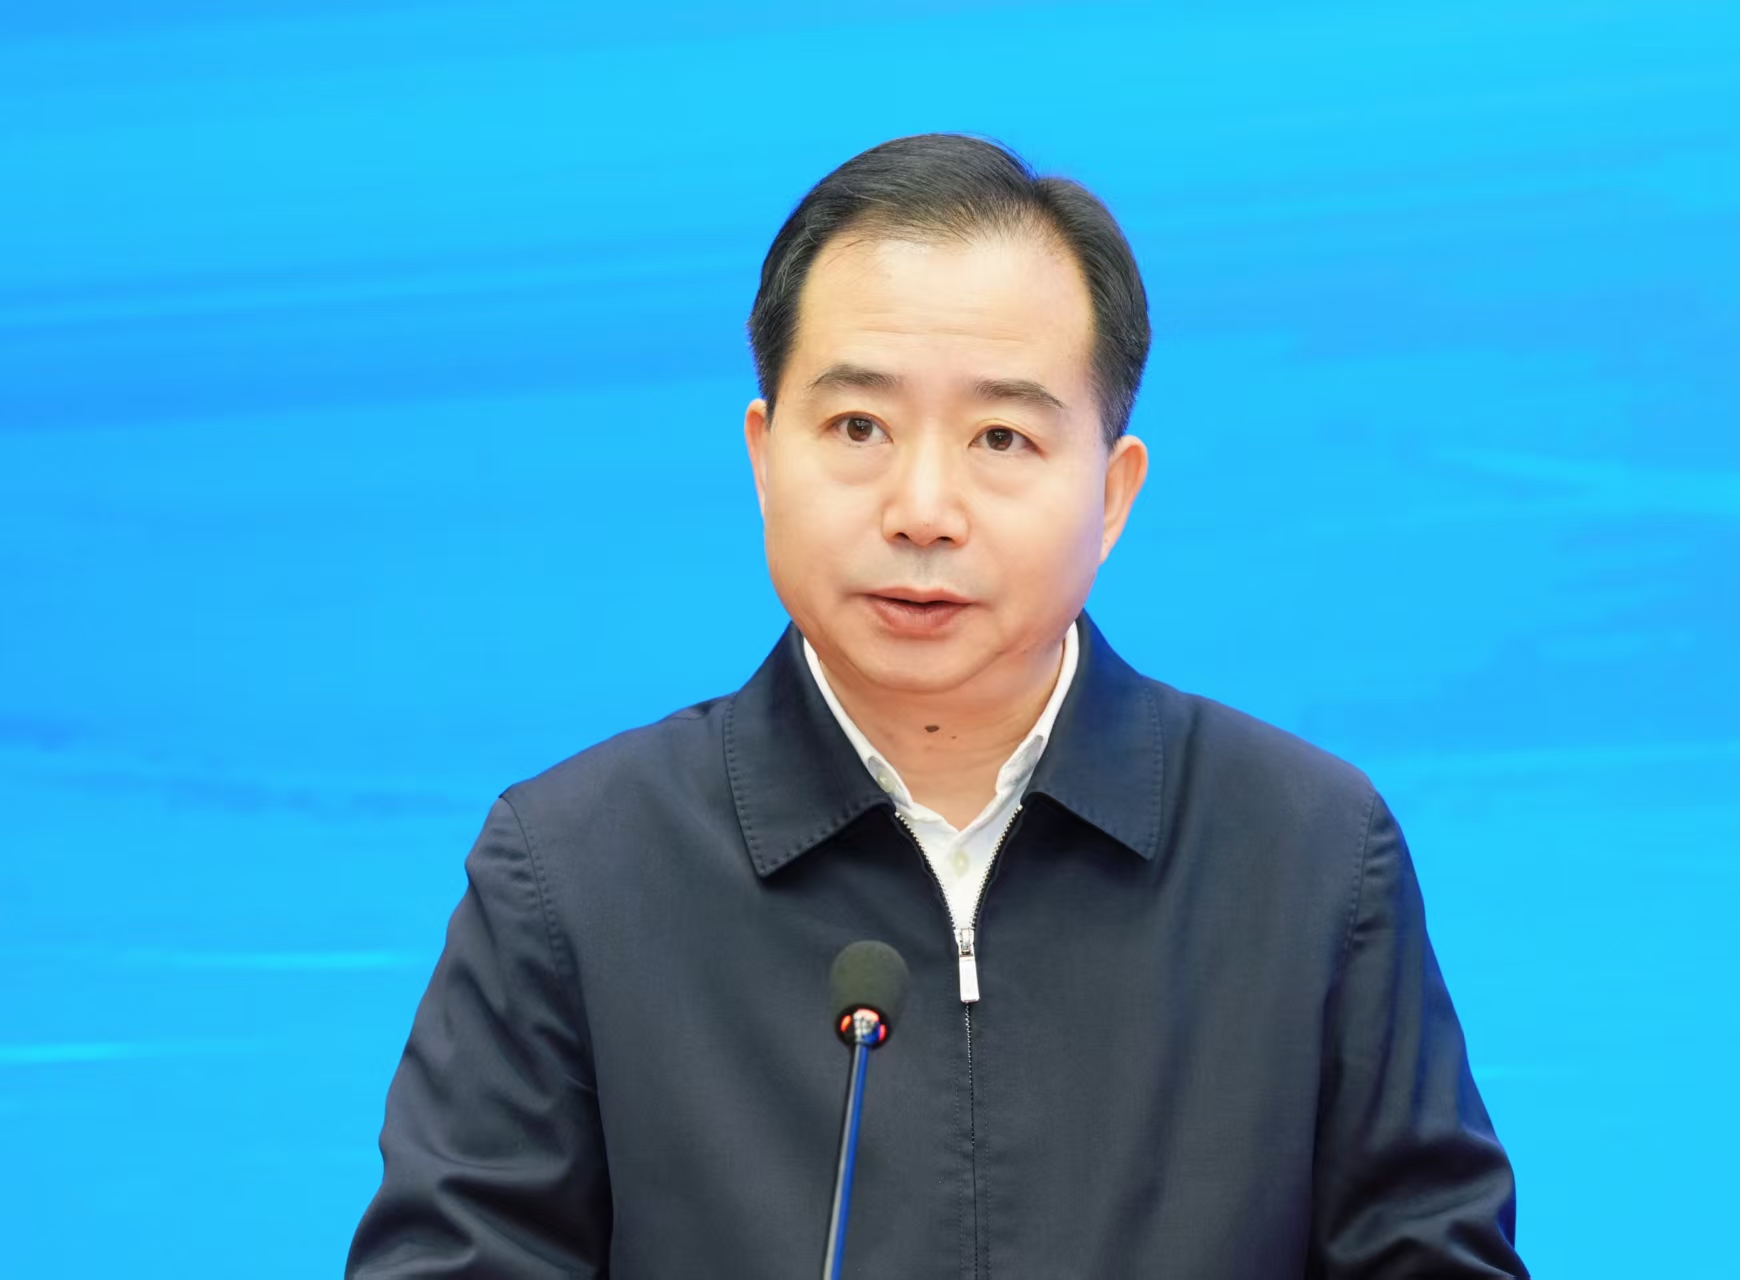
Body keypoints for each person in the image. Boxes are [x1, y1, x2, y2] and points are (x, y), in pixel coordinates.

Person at [346, 133, 1527, 1278]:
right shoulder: (575, 873)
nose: (923, 508)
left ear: (1112, 494)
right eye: (858, 426)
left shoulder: (1307, 857)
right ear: (764, 456)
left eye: (1001, 436)